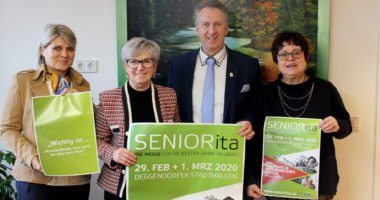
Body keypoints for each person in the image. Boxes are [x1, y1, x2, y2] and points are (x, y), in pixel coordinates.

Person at [246, 31, 352, 200]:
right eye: (283, 54)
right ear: (276, 60)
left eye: (296, 52)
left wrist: (337, 124)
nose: (290, 58)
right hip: (273, 186)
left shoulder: (325, 90)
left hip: (316, 186)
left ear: (306, 56)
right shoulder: (264, 94)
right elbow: (253, 141)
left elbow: (346, 126)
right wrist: (251, 180)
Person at [0, 24, 91, 200]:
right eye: (57, 48)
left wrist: (83, 107)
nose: (65, 54)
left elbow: (88, 129)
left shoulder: (82, 85)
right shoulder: (23, 81)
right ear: (43, 50)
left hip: (75, 178)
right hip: (35, 178)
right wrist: (32, 157)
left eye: (70, 49)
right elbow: (7, 128)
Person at [96, 37, 181, 200]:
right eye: (133, 62)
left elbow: (177, 134)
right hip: (119, 185)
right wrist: (114, 154)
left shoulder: (169, 95)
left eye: (147, 61)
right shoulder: (108, 99)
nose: (140, 67)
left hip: (160, 182)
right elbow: (97, 140)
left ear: (155, 65)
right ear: (125, 66)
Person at [168, 0, 260, 140]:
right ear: (197, 29)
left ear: (226, 29)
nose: (212, 31)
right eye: (205, 24)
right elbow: (169, 107)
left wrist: (249, 121)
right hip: (187, 148)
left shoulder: (247, 65)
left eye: (218, 24)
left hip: (229, 149)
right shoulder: (178, 65)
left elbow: (256, 106)